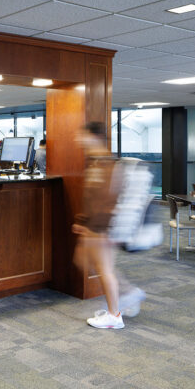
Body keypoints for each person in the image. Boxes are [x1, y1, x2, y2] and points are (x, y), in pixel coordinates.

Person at [73, 122, 147, 330]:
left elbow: (106, 201)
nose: (78, 140)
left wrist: (95, 227)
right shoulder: (95, 163)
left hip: (103, 227)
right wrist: (82, 221)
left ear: (94, 137)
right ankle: (128, 293)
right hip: (97, 226)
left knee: (104, 269)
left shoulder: (106, 165)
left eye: (82, 135)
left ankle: (115, 314)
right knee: (85, 260)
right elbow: (91, 198)